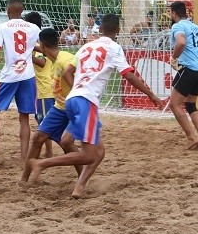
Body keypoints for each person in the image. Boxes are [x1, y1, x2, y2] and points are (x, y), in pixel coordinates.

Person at [24, 14, 165, 198]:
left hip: (72, 98)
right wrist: (151, 95)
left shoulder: (86, 46)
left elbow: (68, 71)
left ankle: (79, 188)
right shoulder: (114, 48)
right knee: (91, 155)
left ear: (100, 29)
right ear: (118, 30)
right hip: (86, 102)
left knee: (94, 150)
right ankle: (42, 164)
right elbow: (128, 75)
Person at [0, 0, 41, 166]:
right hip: (28, 75)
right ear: (21, 11)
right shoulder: (33, 27)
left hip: (9, 76)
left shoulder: (2, 27)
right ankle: (24, 159)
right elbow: (42, 46)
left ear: (8, 10)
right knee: (24, 118)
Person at [21, 27, 79, 181]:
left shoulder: (64, 60)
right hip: (59, 108)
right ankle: (24, 181)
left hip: (75, 108)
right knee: (38, 138)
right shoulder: (56, 58)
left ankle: (83, 177)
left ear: (44, 46)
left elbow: (76, 78)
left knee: (67, 144)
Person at [169, 1, 198, 151]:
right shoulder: (196, 27)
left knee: (174, 104)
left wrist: (174, 58)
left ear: (174, 13)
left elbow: (181, 42)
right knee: (190, 104)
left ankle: (191, 137)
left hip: (188, 70)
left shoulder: (178, 26)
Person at [26, 12, 54, 158]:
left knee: (44, 123)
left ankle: (49, 151)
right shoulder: (42, 41)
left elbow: (42, 62)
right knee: (44, 121)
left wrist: (25, 56)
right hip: (48, 88)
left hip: (44, 90)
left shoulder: (36, 43)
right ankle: (48, 150)